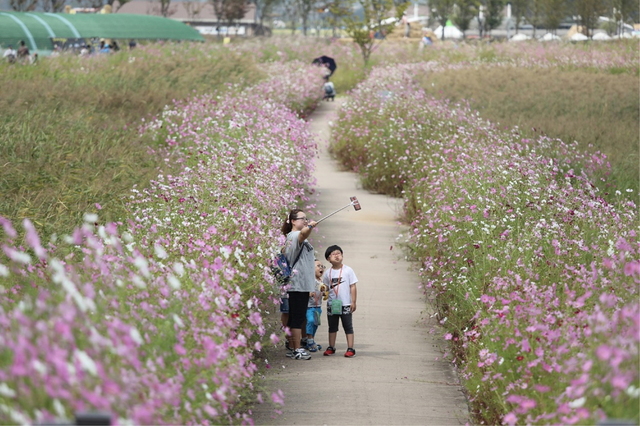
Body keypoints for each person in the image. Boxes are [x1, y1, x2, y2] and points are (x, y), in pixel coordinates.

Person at [281, 208, 319, 360]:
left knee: (295, 317)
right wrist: (310, 227)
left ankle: (292, 346)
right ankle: (297, 349)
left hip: (300, 283)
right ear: (293, 221)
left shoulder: (292, 236)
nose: (305, 220)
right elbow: (303, 234)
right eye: (302, 219)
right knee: (298, 317)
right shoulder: (295, 235)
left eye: (306, 218)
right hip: (298, 284)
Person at [322, 245, 358, 357]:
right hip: (332, 304)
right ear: (328, 259)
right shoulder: (328, 273)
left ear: (342, 255)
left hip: (346, 303)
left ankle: (350, 348)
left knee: (348, 326)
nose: (336, 256)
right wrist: (324, 291)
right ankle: (331, 347)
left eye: (338, 253)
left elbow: (353, 286)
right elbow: (326, 287)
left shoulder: (348, 270)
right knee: (332, 326)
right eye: (333, 254)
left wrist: (353, 301)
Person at [306, 260, 327, 352]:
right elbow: (305, 289)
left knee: (315, 323)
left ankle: (312, 340)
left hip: (318, 306)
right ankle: (309, 340)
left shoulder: (321, 281)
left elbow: (323, 291)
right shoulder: (310, 280)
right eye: (318, 266)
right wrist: (309, 293)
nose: (321, 268)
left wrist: (324, 293)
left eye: (322, 266)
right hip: (309, 306)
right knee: (310, 321)